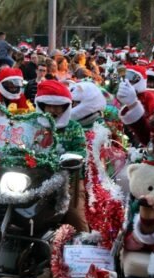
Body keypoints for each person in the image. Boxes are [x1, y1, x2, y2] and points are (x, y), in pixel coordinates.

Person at [35, 80, 88, 232]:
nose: (53, 110)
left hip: (68, 180)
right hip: (34, 178)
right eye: (48, 105)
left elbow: (81, 151)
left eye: (57, 106)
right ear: (41, 105)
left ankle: (84, 249)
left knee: (75, 218)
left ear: (65, 107)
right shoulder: (31, 122)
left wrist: (67, 160)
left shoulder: (74, 127)